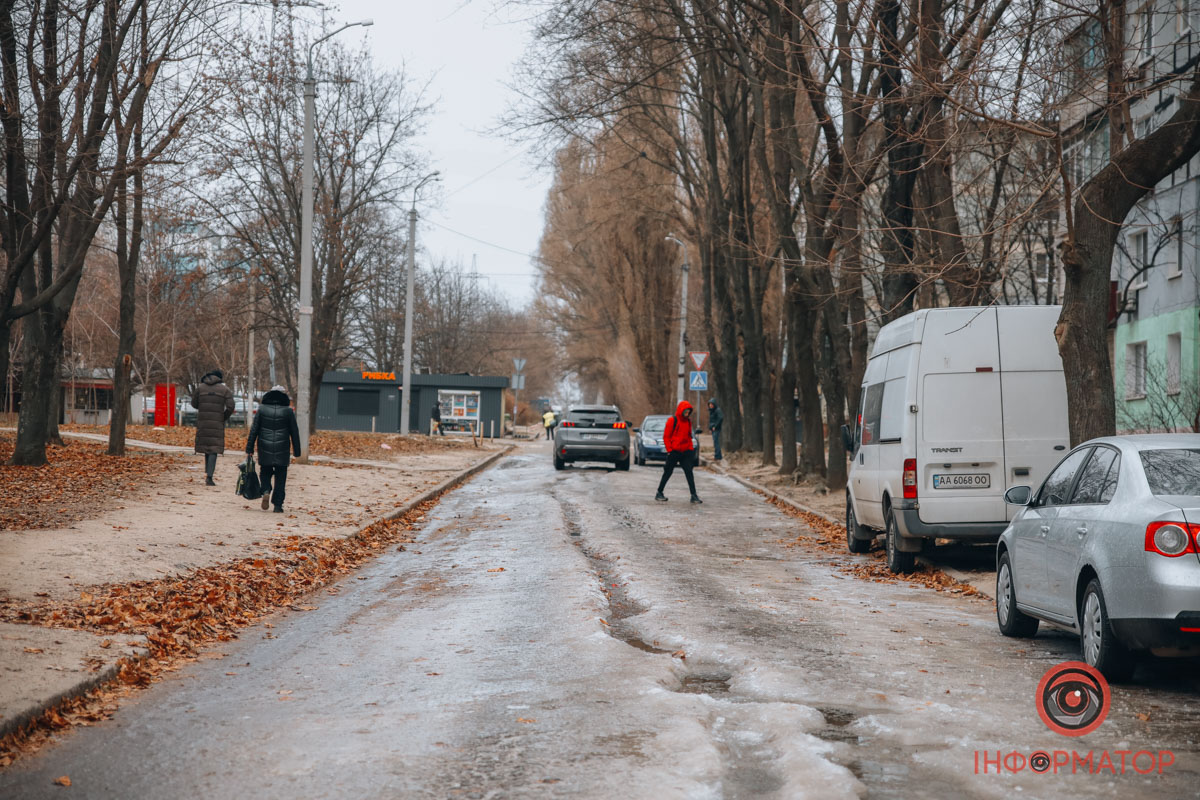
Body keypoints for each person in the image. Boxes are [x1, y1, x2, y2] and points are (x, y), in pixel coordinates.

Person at [245, 385, 301, 513]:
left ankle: (265, 490)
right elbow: (294, 431)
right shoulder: (288, 411)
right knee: (281, 476)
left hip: (265, 446)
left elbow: (254, 430)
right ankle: (278, 505)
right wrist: (297, 451)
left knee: (265, 471)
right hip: (282, 448)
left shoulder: (262, 409)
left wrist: (249, 448)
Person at [192, 369, 234, 486]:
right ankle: (209, 476)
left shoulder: (200, 388)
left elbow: (194, 404)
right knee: (213, 449)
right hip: (217, 423)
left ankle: (208, 472)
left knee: (206, 447)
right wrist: (223, 417)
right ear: (219, 378)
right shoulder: (225, 390)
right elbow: (231, 406)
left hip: (203, 422)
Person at [656, 400, 702, 504]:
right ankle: (659, 492)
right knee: (668, 472)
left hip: (685, 452)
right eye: (685, 412)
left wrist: (690, 448)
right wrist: (670, 450)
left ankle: (694, 495)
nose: (687, 414)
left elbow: (689, 436)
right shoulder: (672, 420)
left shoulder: (688, 421)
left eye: (688, 412)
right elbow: (666, 436)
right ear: (681, 411)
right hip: (674, 451)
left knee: (689, 472)